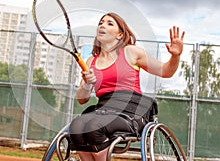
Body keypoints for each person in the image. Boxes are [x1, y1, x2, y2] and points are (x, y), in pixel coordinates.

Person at [69, 12, 185, 161]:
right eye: (101, 23)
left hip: (131, 111)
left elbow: (166, 71)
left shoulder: (131, 52)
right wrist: (86, 83)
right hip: (104, 108)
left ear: (119, 35)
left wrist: (175, 56)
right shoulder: (91, 61)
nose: (102, 25)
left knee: (95, 126)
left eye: (110, 23)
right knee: (77, 126)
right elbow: (82, 99)